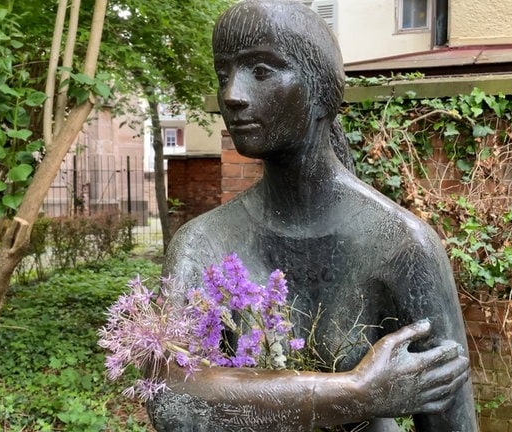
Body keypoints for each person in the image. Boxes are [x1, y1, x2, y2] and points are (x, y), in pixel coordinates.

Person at [147, 1, 477, 430]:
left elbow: (453, 421)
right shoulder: (202, 242)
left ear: (322, 89)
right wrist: (355, 393)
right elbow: (169, 398)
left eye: (261, 70)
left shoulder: (401, 245)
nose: (232, 94)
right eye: (223, 74)